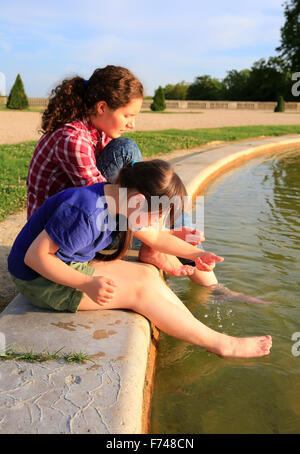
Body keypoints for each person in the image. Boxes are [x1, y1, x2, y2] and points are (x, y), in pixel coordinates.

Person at [8, 160, 272, 359]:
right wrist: (85, 283)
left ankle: (190, 327)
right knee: (140, 294)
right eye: (157, 216)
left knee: (147, 276)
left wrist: (195, 254)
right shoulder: (85, 212)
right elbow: (35, 257)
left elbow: (156, 239)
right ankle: (222, 344)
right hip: (39, 279)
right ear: (137, 200)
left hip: (68, 262)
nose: (156, 224)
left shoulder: (121, 199)